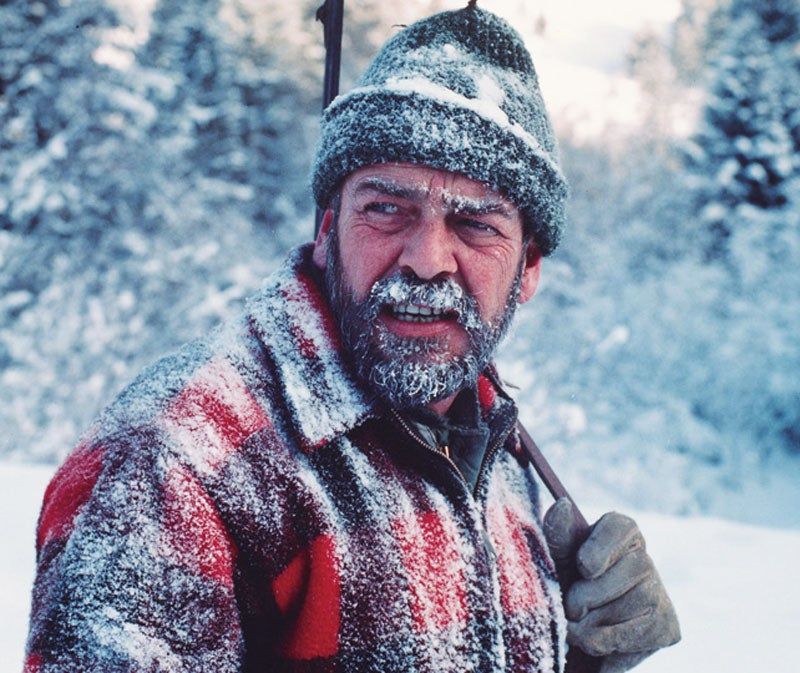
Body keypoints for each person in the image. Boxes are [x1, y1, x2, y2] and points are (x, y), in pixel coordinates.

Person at [23, 5, 679, 673]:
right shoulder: (179, 461)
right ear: (328, 227)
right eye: (387, 208)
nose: (427, 258)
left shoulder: (490, 441)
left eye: (476, 224)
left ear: (529, 266)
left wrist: (586, 658)